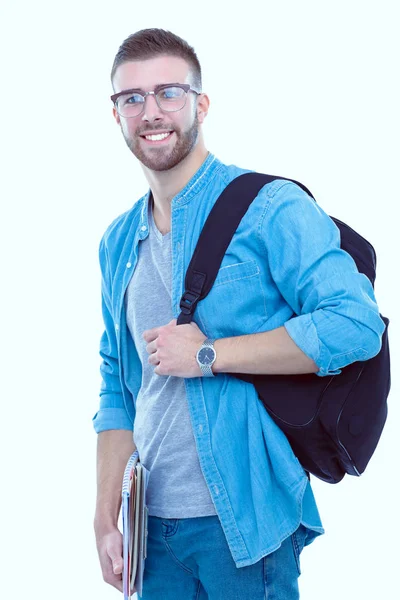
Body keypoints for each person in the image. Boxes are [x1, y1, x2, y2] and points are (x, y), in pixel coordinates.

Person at [93, 28, 385, 599]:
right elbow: (116, 384)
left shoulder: (270, 208)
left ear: (200, 104)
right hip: (151, 533)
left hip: (245, 525)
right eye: (133, 99)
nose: (151, 112)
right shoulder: (117, 242)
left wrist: (208, 354)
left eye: (168, 93)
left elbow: (356, 323)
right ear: (117, 114)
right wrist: (106, 515)